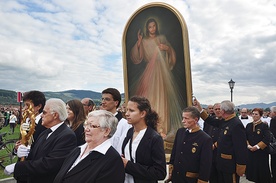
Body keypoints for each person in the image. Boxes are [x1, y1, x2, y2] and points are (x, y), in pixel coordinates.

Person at [130, 18, 183, 141]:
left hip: (161, 71)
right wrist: (138, 42)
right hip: (150, 71)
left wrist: (167, 49)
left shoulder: (162, 38)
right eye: (150, 27)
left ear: (156, 27)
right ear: (147, 28)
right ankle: (151, 126)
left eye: (154, 26)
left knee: (162, 97)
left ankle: (162, 128)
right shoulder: (143, 41)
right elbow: (136, 57)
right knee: (150, 97)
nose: (152, 29)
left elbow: (170, 52)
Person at [5, 98, 77, 183]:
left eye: (44, 112)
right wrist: (25, 152)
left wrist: (17, 166)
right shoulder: (46, 132)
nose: (42, 115)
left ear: (55, 115)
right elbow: (38, 153)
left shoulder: (67, 136)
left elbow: (49, 164)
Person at [53, 110, 125, 183]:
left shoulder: (112, 160)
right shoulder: (77, 150)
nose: (86, 129)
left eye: (92, 126)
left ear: (106, 131)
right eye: (86, 124)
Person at [194, 99, 247, 183]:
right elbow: (210, 120)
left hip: (230, 166)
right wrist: (200, 109)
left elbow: (240, 147)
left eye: (220, 109)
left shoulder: (236, 124)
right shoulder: (225, 121)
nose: (219, 111)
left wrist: (241, 165)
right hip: (221, 164)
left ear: (223, 111)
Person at [121, 96, 166, 183]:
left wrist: (128, 165)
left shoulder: (154, 138)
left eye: (131, 110)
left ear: (142, 114)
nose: (127, 114)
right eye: (127, 110)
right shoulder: (130, 132)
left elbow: (160, 173)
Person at [166, 106, 212, 183]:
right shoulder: (180, 132)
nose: (183, 121)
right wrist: (171, 169)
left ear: (196, 120)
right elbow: (174, 152)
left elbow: (205, 164)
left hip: (190, 179)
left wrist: (202, 180)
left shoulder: (205, 139)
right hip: (177, 177)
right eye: (183, 118)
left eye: (186, 118)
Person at [14, 91, 47, 163]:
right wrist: (17, 148)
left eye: (27, 105)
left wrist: (28, 150)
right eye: (24, 105)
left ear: (39, 106)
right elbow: (21, 141)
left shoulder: (44, 124)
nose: (24, 108)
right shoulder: (26, 120)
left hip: (34, 165)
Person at [101, 88, 131, 154]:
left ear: (116, 103)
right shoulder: (99, 122)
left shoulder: (124, 124)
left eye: (107, 99)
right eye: (102, 99)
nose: (103, 102)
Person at [245, 108, 271, 182]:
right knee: (252, 172)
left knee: (261, 172)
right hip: (250, 151)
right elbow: (245, 137)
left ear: (260, 115)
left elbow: (267, 138)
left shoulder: (264, 126)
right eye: (253, 114)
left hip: (261, 152)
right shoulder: (249, 125)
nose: (254, 115)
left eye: (256, 114)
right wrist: (248, 146)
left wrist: (257, 147)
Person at [270, 106, 276, 183]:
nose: (270, 113)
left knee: (274, 163)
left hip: (275, 146)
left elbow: (272, 134)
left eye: (271, 112)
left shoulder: (273, 120)